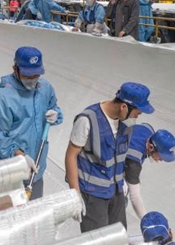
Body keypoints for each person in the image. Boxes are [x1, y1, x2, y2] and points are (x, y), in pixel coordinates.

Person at [65, 82, 155, 233]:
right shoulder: (88, 120)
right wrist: (75, 194)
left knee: (119, 238)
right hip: (92, 194)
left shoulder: (125, 124)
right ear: (124, 107)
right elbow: (70, 156)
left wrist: (122, 185)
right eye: (136, 114)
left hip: (116, 191)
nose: (136, 118)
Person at [0, 47, 63, 200]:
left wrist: (56, 115)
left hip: (36, 168)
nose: (33, 79)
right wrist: (20, 156)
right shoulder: (3, 97)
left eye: (37, 74)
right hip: (10, 172)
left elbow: (54, 108)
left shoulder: (45, 88)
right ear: (15, 69)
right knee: (10, 216)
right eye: (28, 75)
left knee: (33, 213)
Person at [125, 125, 175, 219]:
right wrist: (147, 221)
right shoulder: (134, 161)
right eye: (161, 156)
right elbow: (135, 196)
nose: (161, 159)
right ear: (151, 146)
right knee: (122, 191)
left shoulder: (148, 130)